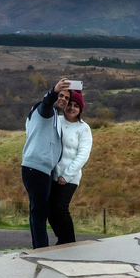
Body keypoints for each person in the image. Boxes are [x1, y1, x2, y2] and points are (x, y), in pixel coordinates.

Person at [21, 77, 71, 249]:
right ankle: (41, 249)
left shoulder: (55, 118)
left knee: (41, 210)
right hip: (35, 168)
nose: (63, 99)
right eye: (61, 96)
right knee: (39, 211)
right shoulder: (44, 112)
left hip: (43, 170)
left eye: (66, 98)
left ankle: (41, 247)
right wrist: (53, 91)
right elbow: (47, 102)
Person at [48, 88, 93, 244]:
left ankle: (69, 241)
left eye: (76, 105)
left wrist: (66, 175)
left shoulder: (83, 128)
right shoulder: (57, 120)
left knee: (60, 208)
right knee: (49, 210)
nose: (72, 108)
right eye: (70, 104)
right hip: (52, 174)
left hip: (69, 177)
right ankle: (63, 240)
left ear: (80, 109)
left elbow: (83, 155)